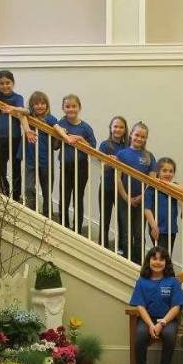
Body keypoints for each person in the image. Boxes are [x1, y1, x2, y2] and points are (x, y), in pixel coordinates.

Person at [129, 246, 183, 364]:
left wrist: (162, 323)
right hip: (148, 319)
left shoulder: (173, 281)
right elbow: (140, 306)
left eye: (161, 259)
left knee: (170, 334)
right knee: (140, 335)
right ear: (149, 261)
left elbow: (176, 306)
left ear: (166, 262)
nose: (157, 262)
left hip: (167, 319)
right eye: (154, 258)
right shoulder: (142, 281)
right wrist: (151, 325)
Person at [19, 91, 68, 215]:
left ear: (47, 105)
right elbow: (21, 113)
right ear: (31, 105)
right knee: (29, 187)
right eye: (36, 104)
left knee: (47, 190)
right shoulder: (29, 117)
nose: (40, 106)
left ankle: (48, 215)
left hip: (46, 160)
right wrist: (27, 129)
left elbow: (56, 144)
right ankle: (32, 211)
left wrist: (62, 135)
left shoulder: (50, 119)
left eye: (43, 103)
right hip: (30, 159)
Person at [117, 122, 156, 263]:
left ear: (146, 139)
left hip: (143, 201)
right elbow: (118, 179)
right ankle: (127, 262)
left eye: (143, 137)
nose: (139, 138)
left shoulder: (149, 156)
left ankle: (139, 264)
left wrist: (141, 197)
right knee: (127, 232)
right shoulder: (121, 154)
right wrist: (127, 198)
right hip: (124, 199)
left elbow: (152, 181)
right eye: (137, 135)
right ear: (131, 135)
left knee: (139, 233)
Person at [57, 94, 97, 233]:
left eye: (74, 106)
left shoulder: (86, 128)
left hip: (81, 167)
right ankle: (63, 226)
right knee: (64, 196)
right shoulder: (61, 124)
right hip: (65, 166)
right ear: (63, 108)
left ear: (79, 107)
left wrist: (79, 138)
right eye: (67, 106)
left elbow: (93, 150)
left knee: (77, 198)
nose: (71, 109)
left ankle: (77, 229)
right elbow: (56, 145)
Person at [0, 70, 25, 201]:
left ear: (13, 83)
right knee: (0, 167)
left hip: (15, 137)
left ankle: (16, 196)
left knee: (16, 166)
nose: (5, 86)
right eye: (1, 83)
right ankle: (4, 192)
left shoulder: (17, 98)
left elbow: (24, 111)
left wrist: (13, 109)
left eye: (8, 83)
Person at [98, 116, 128, 249]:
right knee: (105, 217)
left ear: (125, 130)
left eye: (121, 127)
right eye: (115, 126)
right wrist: (112, 162)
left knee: (122, 219)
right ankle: (102, 244)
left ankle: (121, 247)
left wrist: (118, 161)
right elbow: (102, 164)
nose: (118, 129)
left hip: (122, 188)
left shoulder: (128, 146)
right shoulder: (105, 145)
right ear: (111, 128)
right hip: (106, 186)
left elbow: (129, 166)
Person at [144, 157, 183, 253]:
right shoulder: (151, 188)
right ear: (158, 172)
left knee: (167, 255)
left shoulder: (174, 187)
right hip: (158, 228)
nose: (168, 174)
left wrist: (165, 183)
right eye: (164, 171)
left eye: (171, 171)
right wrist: (153, 226)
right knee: (161, 255)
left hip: (171, 229)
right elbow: (147, 209)